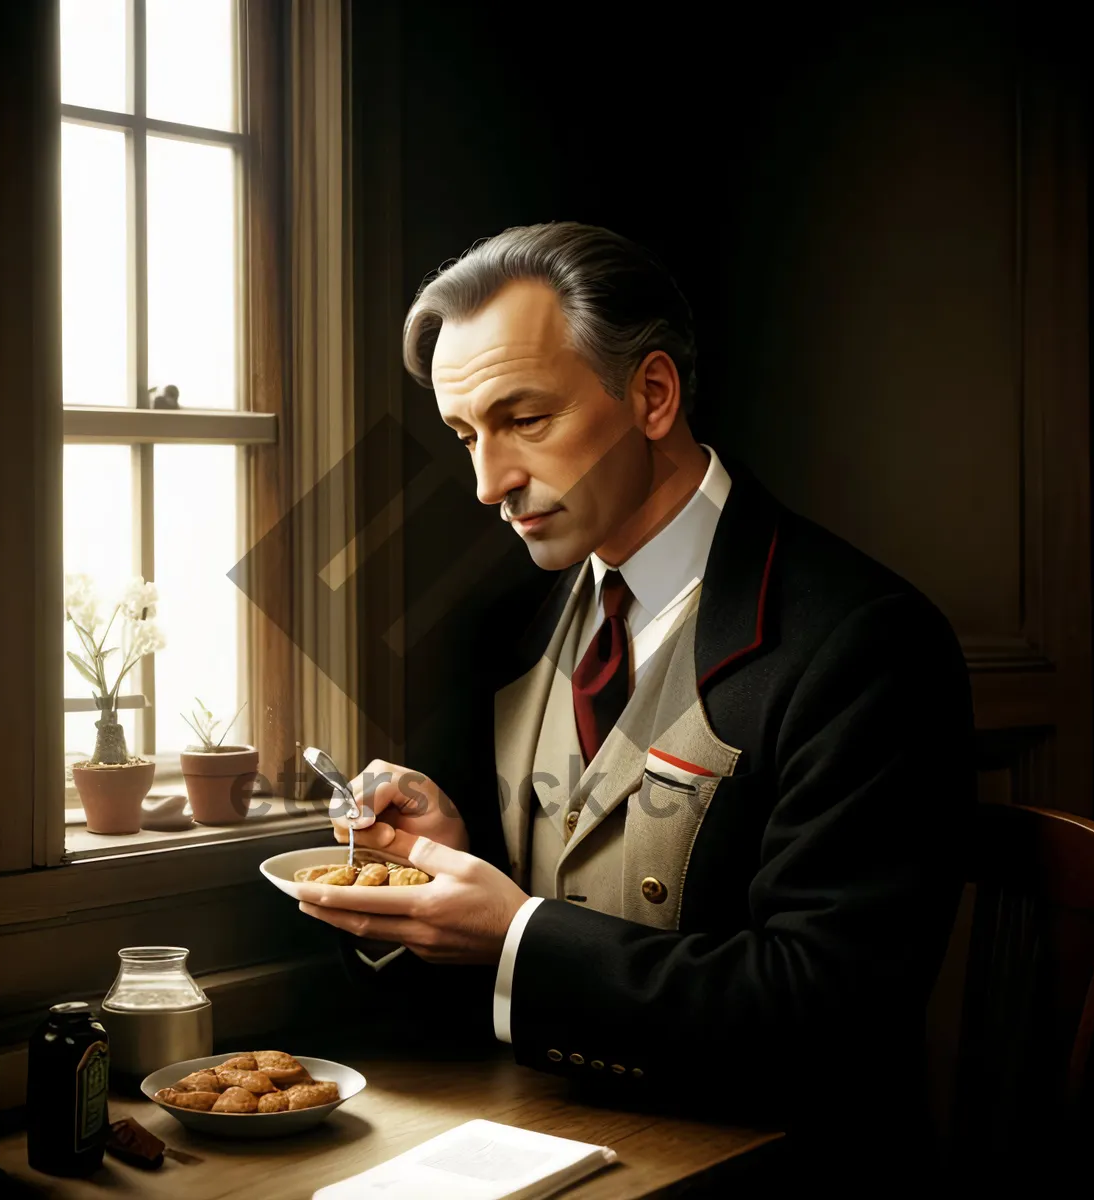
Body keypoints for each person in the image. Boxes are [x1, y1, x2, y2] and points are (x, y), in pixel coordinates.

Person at [294, 222, 976, 1179]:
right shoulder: (503, 630)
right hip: (527, 1138)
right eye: (465, 436)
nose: (490, 483)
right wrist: (439, 861)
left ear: (652, 395)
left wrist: (515, 933)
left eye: (524, 420)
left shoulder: (865, 640)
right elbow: (453, 981)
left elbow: (829, 1009)